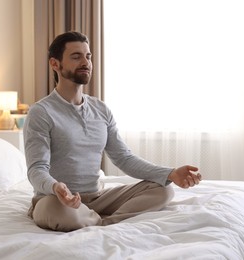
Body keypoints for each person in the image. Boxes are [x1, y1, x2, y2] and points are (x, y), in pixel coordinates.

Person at [23, 31, 202, 232]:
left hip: (97, 198)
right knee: (55, 210)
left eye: (88, 56)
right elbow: (36, 169)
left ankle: (101, 222)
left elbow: (124, 158)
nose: (86, 62)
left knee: (163, 190)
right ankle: (88, 218)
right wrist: (56, 187)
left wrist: (171, 173)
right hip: (55, 200)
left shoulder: (101, 109)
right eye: (76, 56)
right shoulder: (41, 112)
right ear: (55, 64)